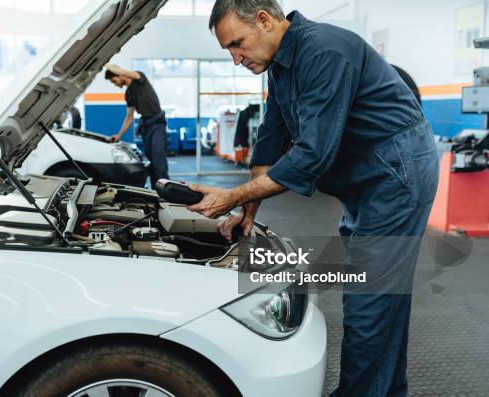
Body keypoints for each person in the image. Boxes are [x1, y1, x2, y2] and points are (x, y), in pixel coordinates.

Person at [187, 1, 439, 396]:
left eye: (237, 44)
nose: (235, 58)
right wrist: (246, 211)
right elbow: (270, 143)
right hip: (366, 177)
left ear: (265, 21)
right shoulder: (282, 67)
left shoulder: (323, 51)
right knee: (383, 295)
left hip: (395, 174)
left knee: (368, 298)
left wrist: (229, 196)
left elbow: (311, 156)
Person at [104, 64, 169, 188]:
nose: (115, 85)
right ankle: (157, 191)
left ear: (119, 76)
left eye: (114, 81)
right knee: (152, 163)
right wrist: (118, 135)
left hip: (157, 124)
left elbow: (121, 70)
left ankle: (167, 192)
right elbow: (129, 116)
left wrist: (104, 63)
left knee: (159, 161)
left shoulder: (140, 78)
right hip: (146, 126)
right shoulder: (128, 93)